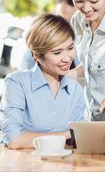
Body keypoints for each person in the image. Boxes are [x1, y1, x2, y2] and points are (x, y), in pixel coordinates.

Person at [0, 13, 85, 149]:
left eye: (70, 48)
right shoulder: (17, 83)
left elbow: (82, 139)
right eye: (57, 52)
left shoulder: (76, 90)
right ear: (37, 55)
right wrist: (67, 134)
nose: (67, 58)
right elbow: (14, 139)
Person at [17, 0, 77, 71]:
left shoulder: (86, 45)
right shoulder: (36, 45)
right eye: (62, 21)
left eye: (73, 22)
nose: (67, 28)